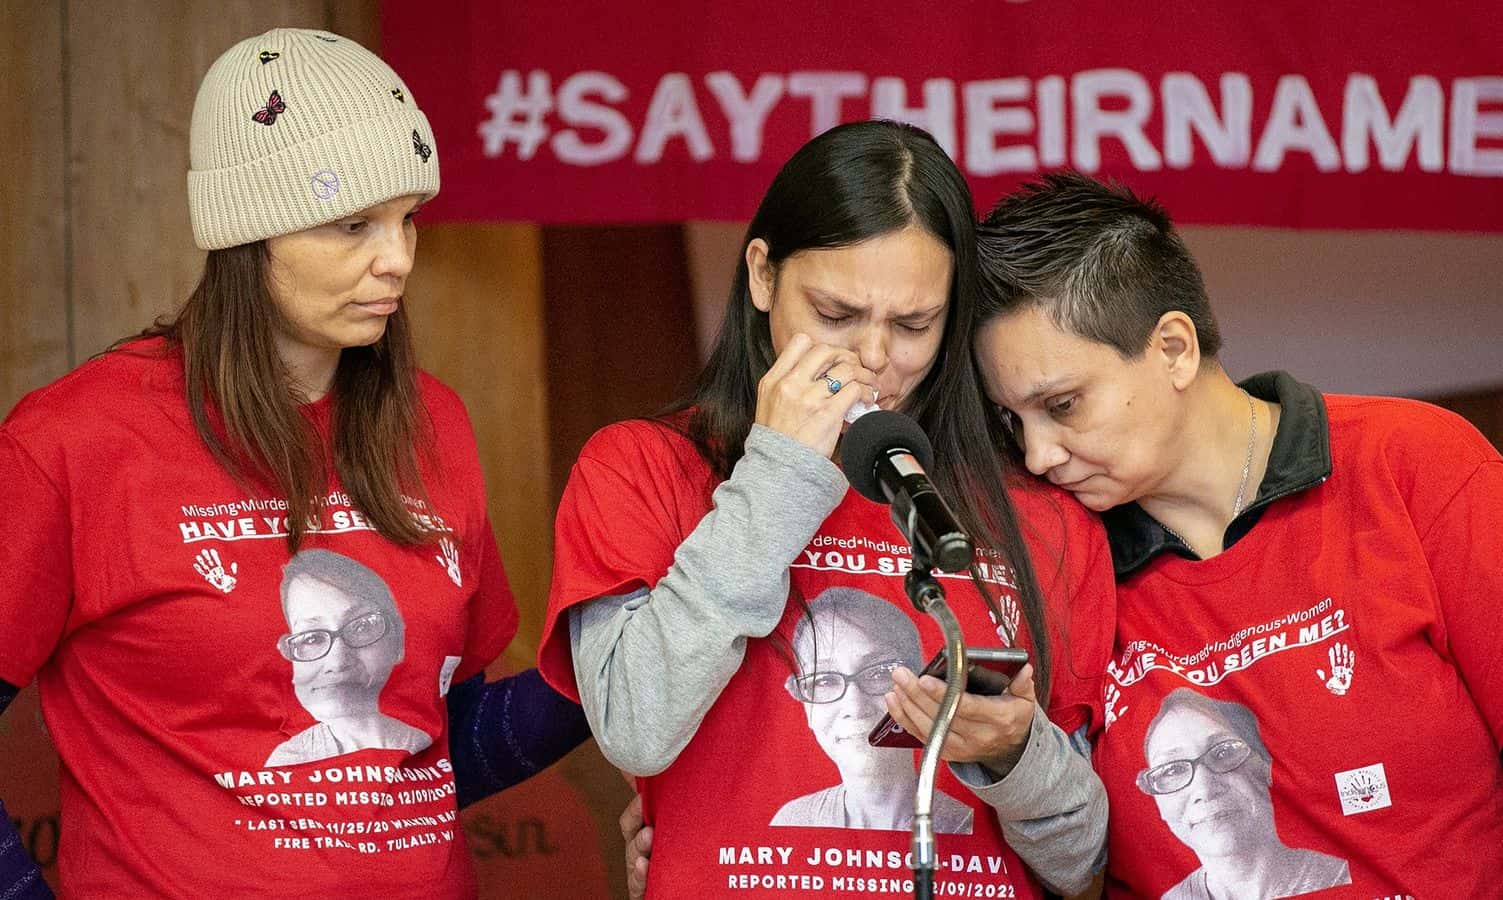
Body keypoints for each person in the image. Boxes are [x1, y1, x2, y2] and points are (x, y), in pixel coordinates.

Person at [0, 28, 589, 898]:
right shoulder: (74, 441)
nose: (396, 259)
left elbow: (438, 740)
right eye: (353, 223)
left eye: (406, 219)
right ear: (250, 232)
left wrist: (631, 655)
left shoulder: (435, 421)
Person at [973, 171, 1503, 897]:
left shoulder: (1411, 461)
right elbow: (1065, 858)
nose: (1038, 455)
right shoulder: (1060, 566)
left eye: (1064, 405)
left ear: (1173, 349)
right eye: (1014, 422)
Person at [538, 120, 1114, 899]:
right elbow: (636, 727)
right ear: (762, 276)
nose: (874, 358)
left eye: (914, 325)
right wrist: (777, 478)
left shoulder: (1040, 513)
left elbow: (1089, 866)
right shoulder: (643, 468)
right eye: (836, 315)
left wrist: (1021, 760)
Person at [770, 586, 973, 833]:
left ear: (919, 683)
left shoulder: (965, 827)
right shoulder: (793, 822)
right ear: (805, 705)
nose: (855, 707)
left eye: (879, 673)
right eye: (823, 681)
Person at [1138, 690, 1349, 899]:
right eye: (1172, 770)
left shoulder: (1341, 878)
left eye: (1223, 752)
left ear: (1266, 766)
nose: (1204, 788)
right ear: (1158, 803)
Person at [268, 549, 433, 766]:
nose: (338, 662)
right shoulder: (288, 761)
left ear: (398, 639)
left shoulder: (420, 743)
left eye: (362, 627)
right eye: (311, 639)